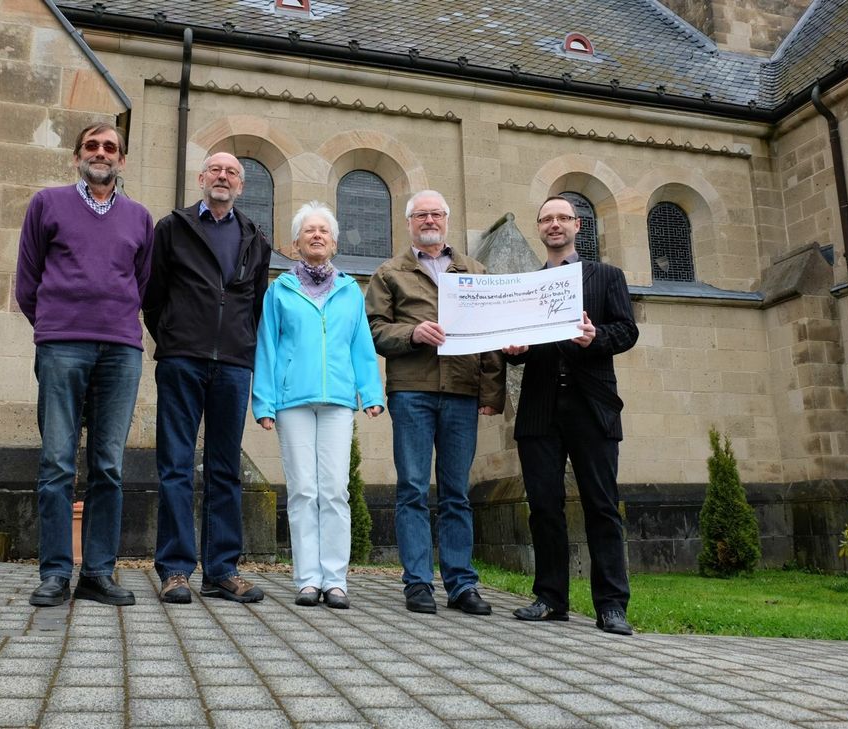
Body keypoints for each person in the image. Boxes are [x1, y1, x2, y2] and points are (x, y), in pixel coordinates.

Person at [17, 122, 154, 607]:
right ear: (77, 155)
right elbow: (27, 279)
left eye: (110, 147)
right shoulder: (47, 204)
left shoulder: (139, 217)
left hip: (120, 348)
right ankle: (55, 573)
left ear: (122, 160)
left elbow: (141, 281)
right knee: (56, 462)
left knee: (108, 465)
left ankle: (97, 572)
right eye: (92, 145)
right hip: (62, 346)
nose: (101, 153)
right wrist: (55, 325)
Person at [503, 195, 639, 635]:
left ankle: (611, 606)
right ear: (539, 228)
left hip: (592, 406)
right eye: (546, 219)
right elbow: (515, 347)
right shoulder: (525, 284)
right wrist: (514, 350)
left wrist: (595, 337)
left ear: (578, 225)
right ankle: (550, 598)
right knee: (544, 507)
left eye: (562, 218)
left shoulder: (607, 277)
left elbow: (626, 330)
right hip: (540, 408)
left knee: (601, 506)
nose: (554, 225)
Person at [365, 190, 505, 615]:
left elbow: (492, 335)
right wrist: (412, 334)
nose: (429, 220)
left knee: (456, 493)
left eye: (436, 214)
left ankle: (462, 585)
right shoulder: (389, 273)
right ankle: (418, 583)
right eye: (421, 214)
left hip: (462, 393)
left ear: (446, 220)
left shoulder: (475, 271)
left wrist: (491, 394)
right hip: (412, 391)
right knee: (411, 488)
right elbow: (372, 330)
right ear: (409, 223)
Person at [143, 152, 272, 604]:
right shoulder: (172, 228)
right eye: (215, 170)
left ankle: (221, 571)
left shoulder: (256, 237)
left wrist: (238, 344)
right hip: (182, 358)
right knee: (176, 465)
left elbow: (255, 303)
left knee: (225, 468)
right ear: (201, 178)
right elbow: (153, 294)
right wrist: (176, 335)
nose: (223, 177)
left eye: (232, 172)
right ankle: (175, 569)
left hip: (234, 365)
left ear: (241, 185)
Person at [252, 202, 385, 610]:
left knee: (334, 490)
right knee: (303, 491)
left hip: (339, 401)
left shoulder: (349, 291)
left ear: (334, 241)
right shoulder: (280, 291)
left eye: (323, 231)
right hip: (292, 400)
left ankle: (336, 580)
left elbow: (361, 346)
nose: (316, 236)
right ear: (295, 243)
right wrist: (264, 401)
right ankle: (308, 580)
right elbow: (268, 347)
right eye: (308, 231)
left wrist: (372, 393)